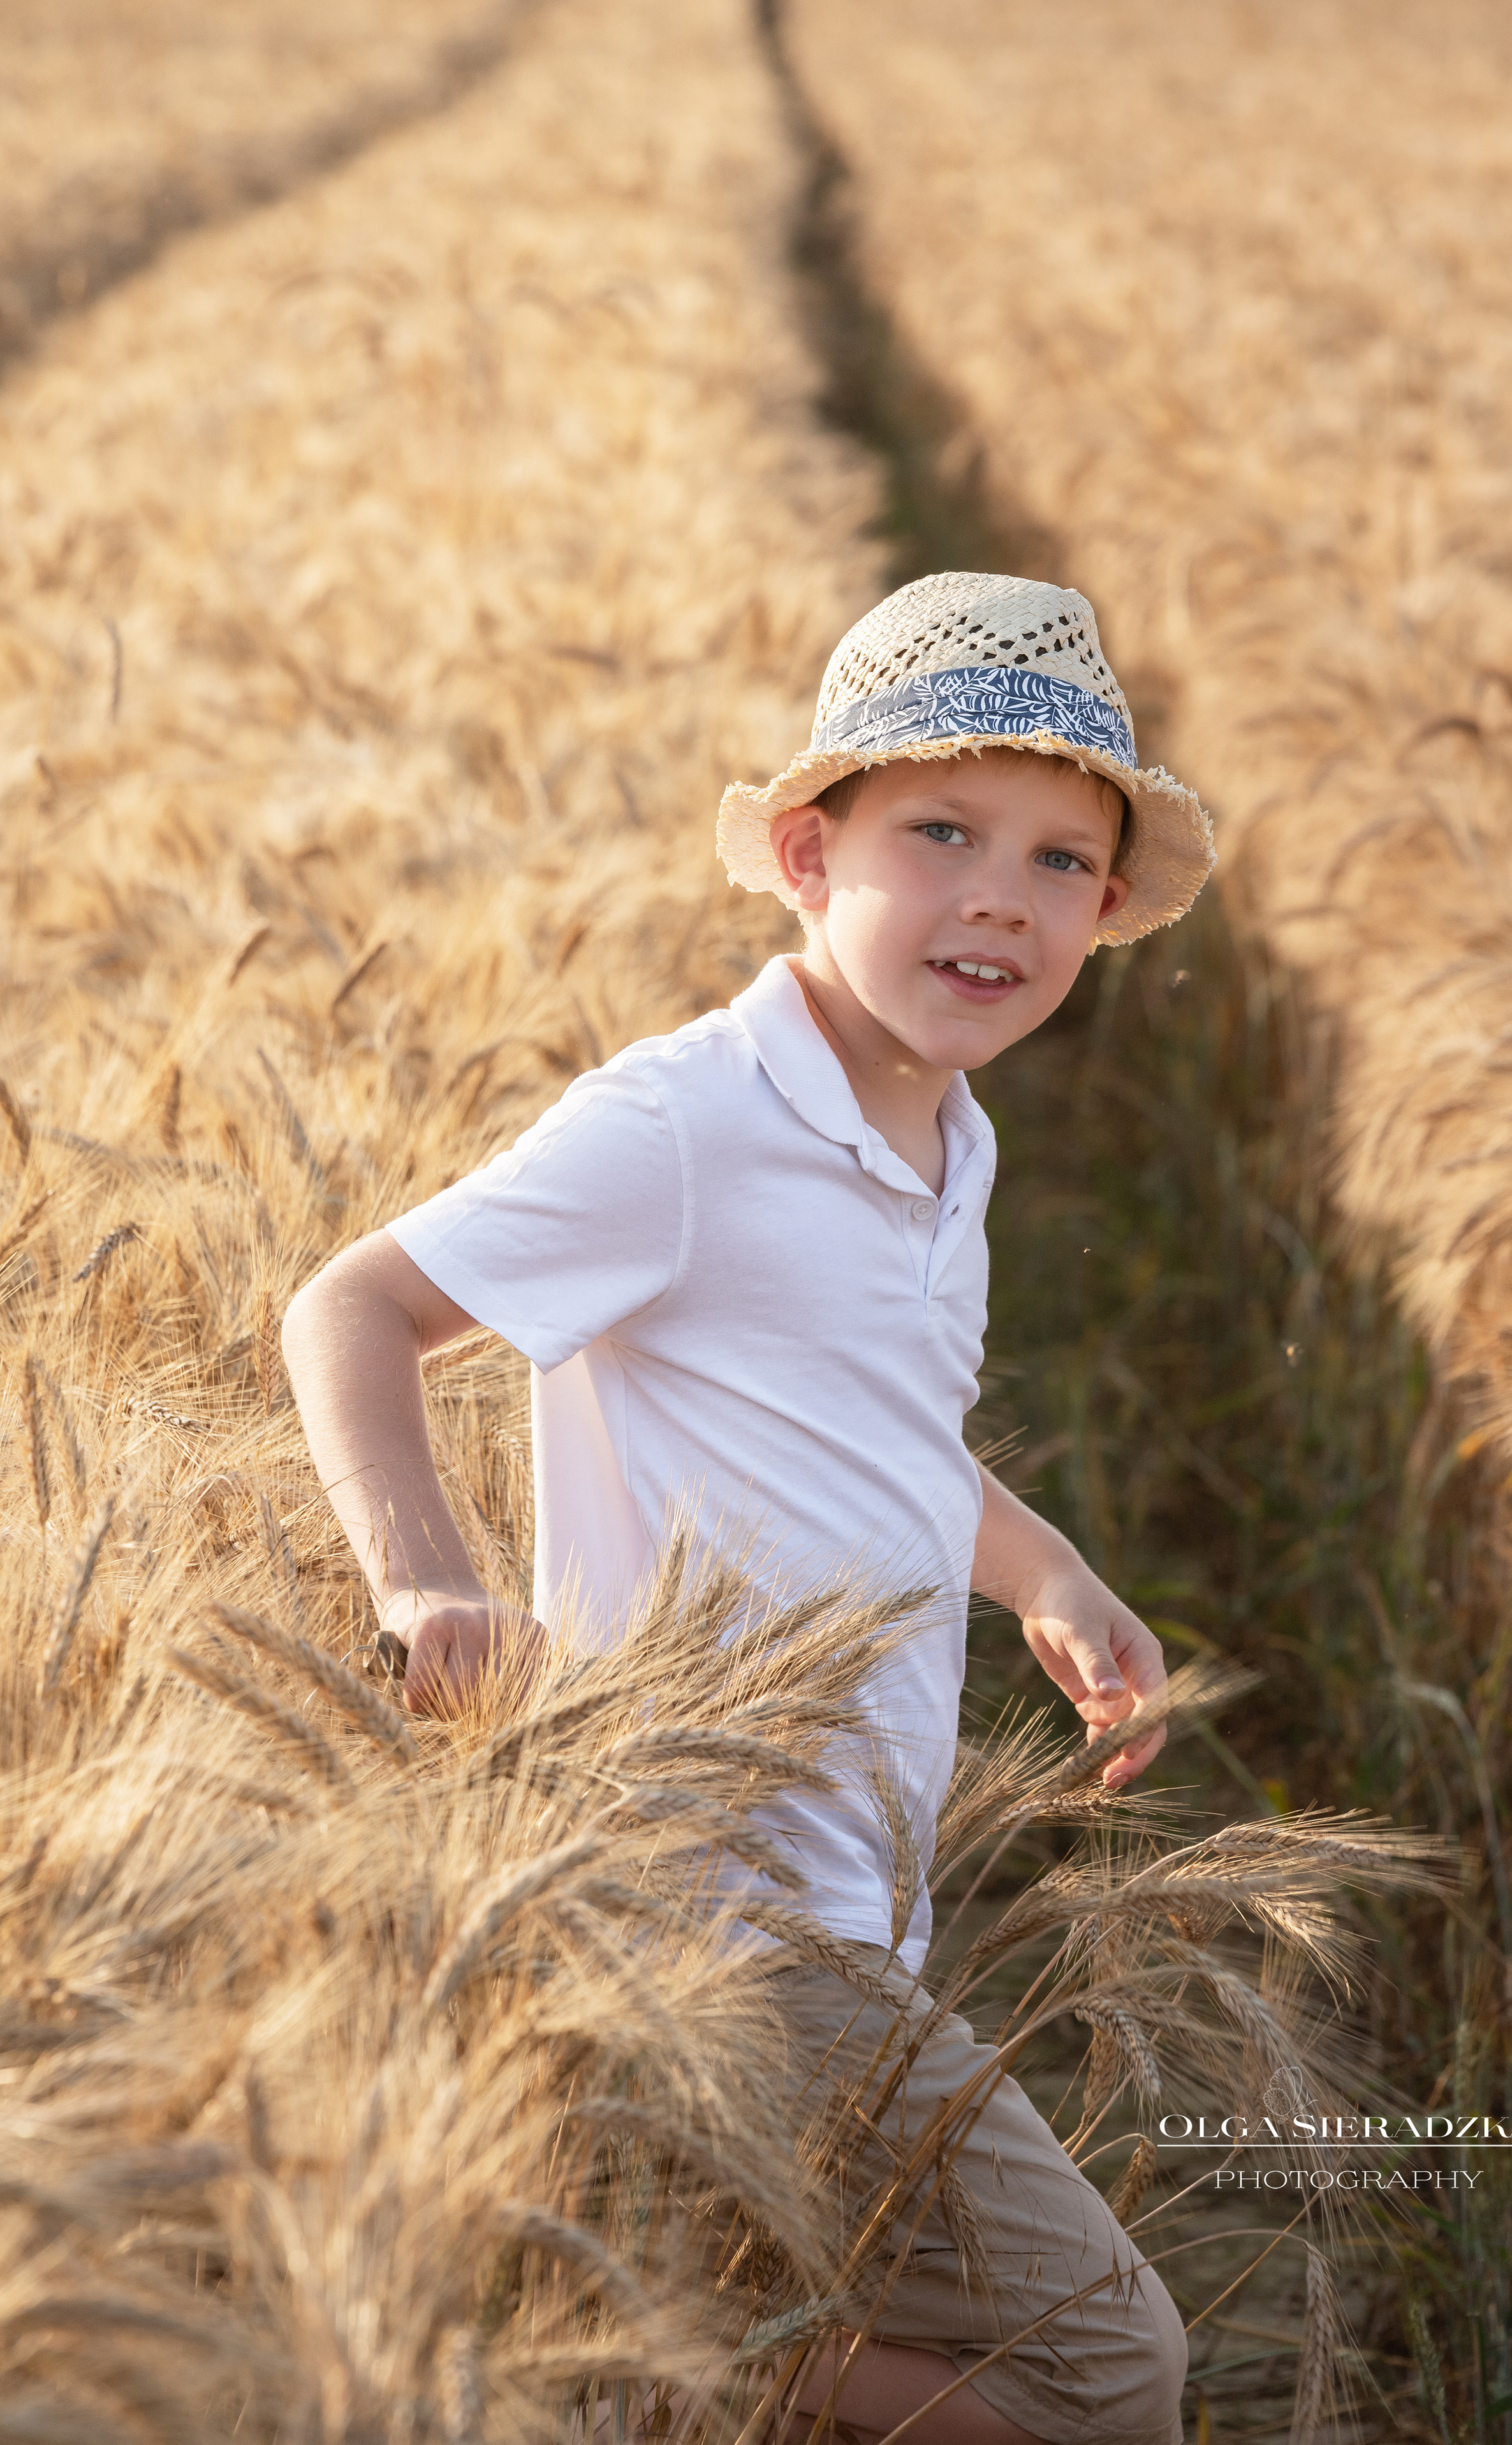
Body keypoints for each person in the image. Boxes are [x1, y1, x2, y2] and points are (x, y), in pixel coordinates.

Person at [282, 569, 1215, 2443]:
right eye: (937, 832)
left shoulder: (952, 1137)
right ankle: (613, 2333)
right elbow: (351, 1305)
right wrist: (427, 1585)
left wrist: (1045, 1568)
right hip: (710, 1894)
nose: (995, 898)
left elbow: (874, 1428)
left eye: (1056, 860)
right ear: (809, 851)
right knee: (1109, 2376)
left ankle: (640, 2342)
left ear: (1106, 914)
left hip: (850, 1894)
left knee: (885, 2320)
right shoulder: (691, 1125)